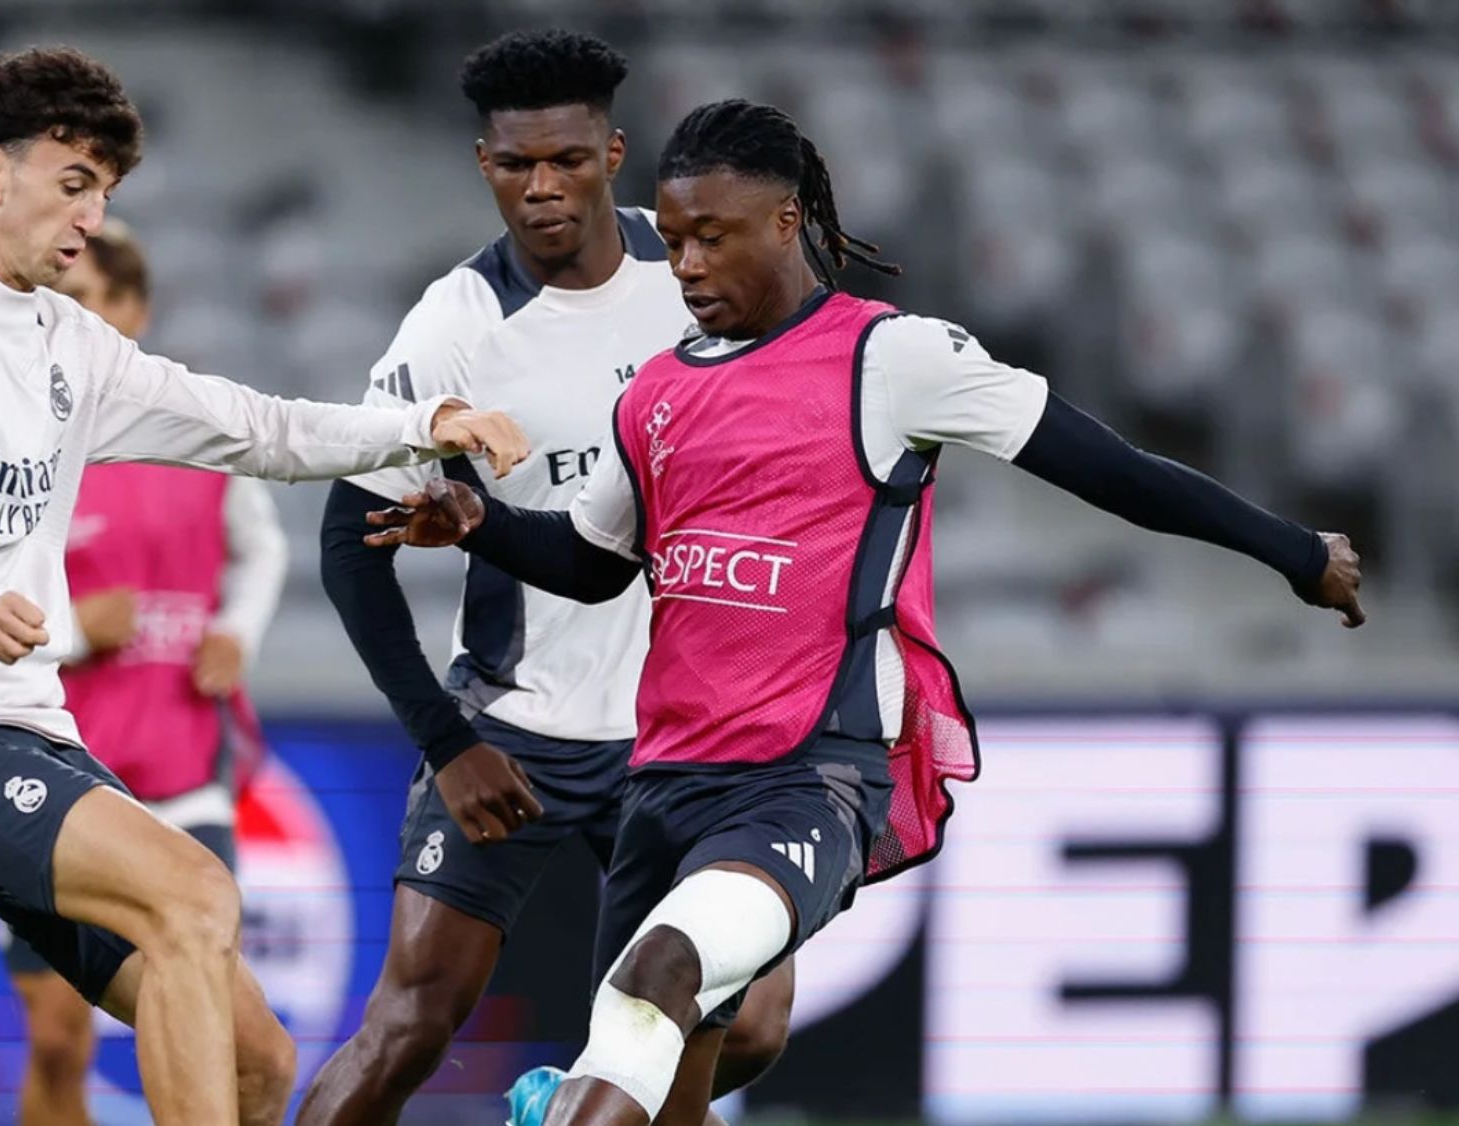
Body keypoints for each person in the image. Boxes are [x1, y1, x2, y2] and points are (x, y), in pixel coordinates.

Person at [365, 98, 1367, 1126]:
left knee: (656, 973)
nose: (690, 266)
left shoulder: (894, 360)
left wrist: (1291, 551)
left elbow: (1106, 467)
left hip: (805, 780)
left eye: (713, 237)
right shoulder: (657, 392)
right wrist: (477, 522)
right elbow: (586, 562)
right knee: (650, 1069)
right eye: (672, 243)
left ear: (788, 220)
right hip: (659, 784)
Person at [0, 46, 526, 1126]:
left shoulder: (66, 344)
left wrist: (419, 426)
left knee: (257, 1060)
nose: (90, 218)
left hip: (27, 730)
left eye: (106, 194)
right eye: (72, 183)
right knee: (195, 894)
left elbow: (252, 426)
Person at [297, 32, 790, 1126]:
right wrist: (447, 739)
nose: (542, 187)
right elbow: (348, 541)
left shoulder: (698, 277)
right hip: (518, 726)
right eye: (516, 165)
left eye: (566, 159)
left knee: (744, 1026)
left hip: (690, 735)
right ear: (484, 164)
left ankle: (562, 1104)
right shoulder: (456, 327)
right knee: (409, 1025)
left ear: (613, 154)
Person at [0, 218, 290, 1125]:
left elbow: (262, 547)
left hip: (183, 775)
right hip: (58, 778)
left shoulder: (191, 430)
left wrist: (236, 631)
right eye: (61, 303)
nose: (72, 320)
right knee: (57, 1040)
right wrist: (73, 632)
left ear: (134, 310)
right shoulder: (20, 449)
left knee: (224, 1034)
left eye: (90, 302)